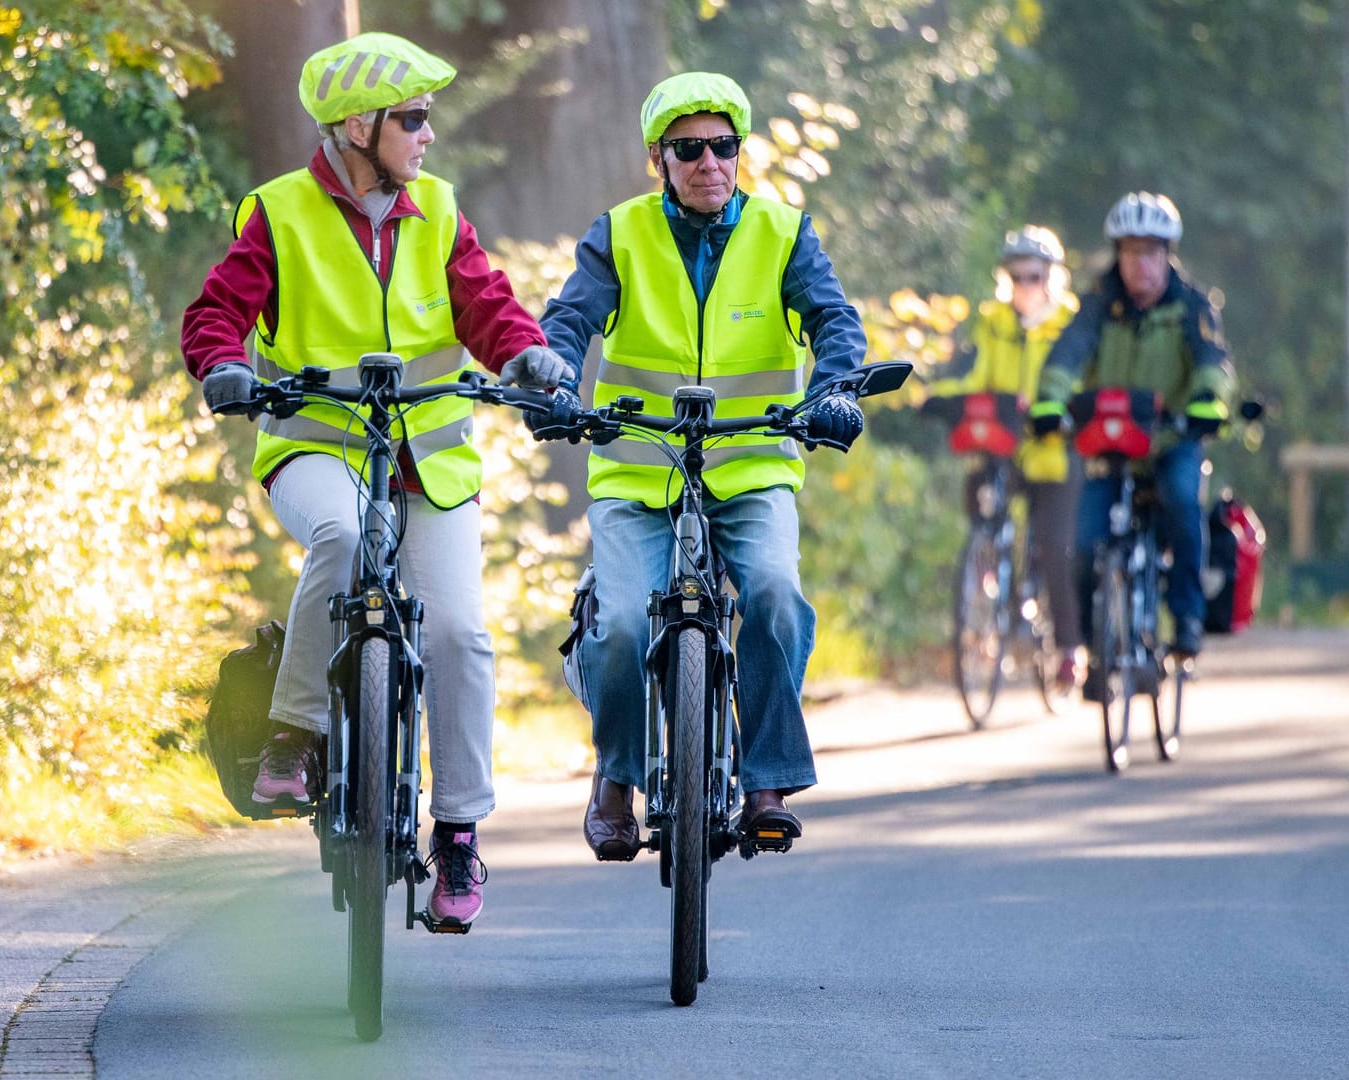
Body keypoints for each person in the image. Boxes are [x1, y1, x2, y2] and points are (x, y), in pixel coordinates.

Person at [181, 32, 567, 928]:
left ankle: (461, 835)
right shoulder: (278, 214)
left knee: (463, 636)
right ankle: (295, 736)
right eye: (414, 119)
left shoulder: (438, 209)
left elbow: (485, 305)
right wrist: (221, 367)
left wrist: (527, 354)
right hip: (319, 448)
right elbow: (217, 314)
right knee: (344, 539)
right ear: (359, 126)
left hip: (426, 462)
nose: (428, 136)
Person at [534, 72, 868, 860]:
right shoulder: (618, 234)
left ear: (740, 152)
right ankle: (616, 777)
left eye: (724, 146)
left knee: (777, 596)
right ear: (659, 158)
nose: (709, 162)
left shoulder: (785, 233)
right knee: (617, 623)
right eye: (689, 149)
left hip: (751, 467)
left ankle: (766, 780)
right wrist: (549, 378)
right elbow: (569, 319)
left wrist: (836, 392)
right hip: (638, 471)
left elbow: (834, 323)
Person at [1029, 192, 1236, 690]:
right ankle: (1094, 644)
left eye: (1150, 252)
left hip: (1171, 440)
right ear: (1117, 255)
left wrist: (1208, 401)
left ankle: (1186, 622)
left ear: (1167, 255)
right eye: (1130, 251)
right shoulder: (1099, 304)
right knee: (1081, 542)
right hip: (1113, 441)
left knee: (1184, 504)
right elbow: (1067, 355)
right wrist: (1049, 402)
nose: (1139, 263)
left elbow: (1213, 361)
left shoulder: (1191, 305)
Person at [929, 225, 1085, 688]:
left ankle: (1071, 649)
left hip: (1055, 455)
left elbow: (1080, 381)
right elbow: (975, 377)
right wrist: (940, 398)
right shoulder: (992, 321)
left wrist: (1059, 413)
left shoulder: (1071, 325)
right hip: (1006, 448)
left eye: (1033, 276)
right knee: (979, 496)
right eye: (1016, 277)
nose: (1024, 287)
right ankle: (988, 581)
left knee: (1056, 546)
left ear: (1051, 278)